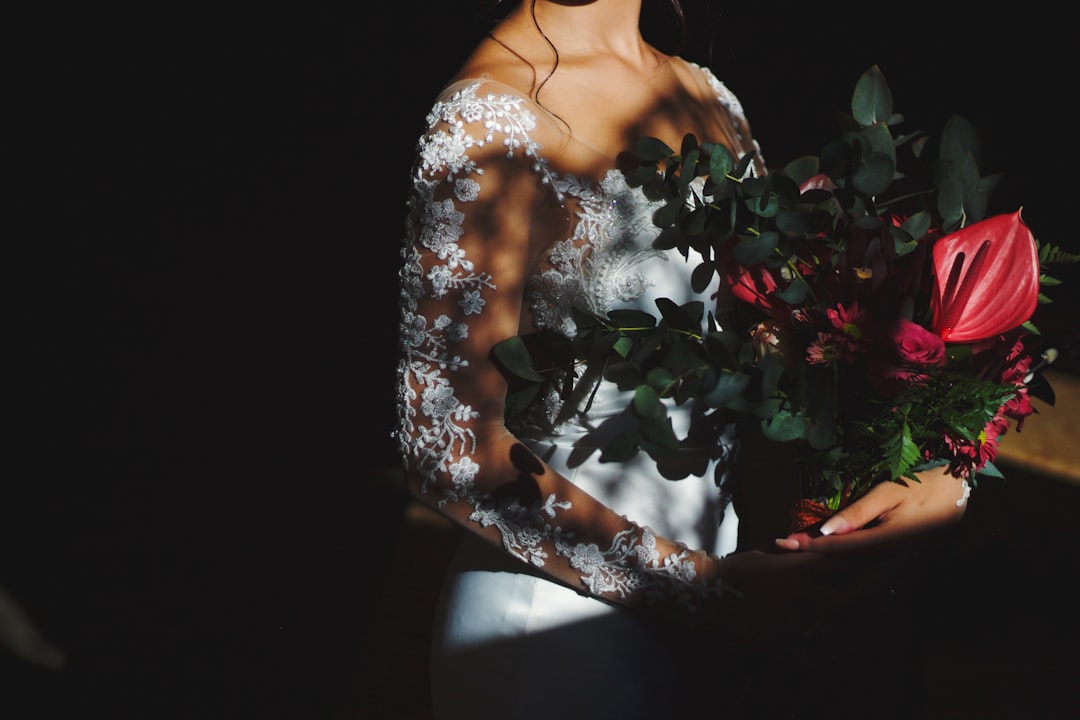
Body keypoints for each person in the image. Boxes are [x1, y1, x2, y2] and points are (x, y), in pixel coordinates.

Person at [394, 1, 971, 717]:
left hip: (718, 629)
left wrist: (942, 469)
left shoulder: (706, 95)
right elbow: (445, 448)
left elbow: (797, 345)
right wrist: (703, 592)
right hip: (554, 635)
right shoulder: (485, 117)